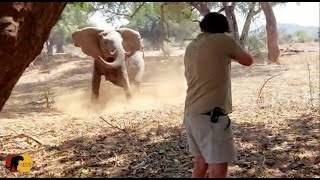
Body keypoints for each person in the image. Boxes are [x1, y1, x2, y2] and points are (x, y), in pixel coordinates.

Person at [183, 12, 253, 178]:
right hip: (211, 118)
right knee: (219, 170)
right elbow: (247, 60)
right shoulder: (222, 40)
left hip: (192, 114)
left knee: (201, 163)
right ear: (224, 28)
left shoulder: (192, 45)